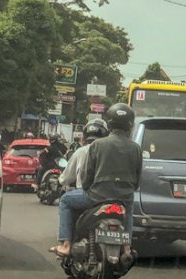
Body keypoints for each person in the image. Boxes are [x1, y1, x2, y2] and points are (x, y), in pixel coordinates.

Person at [50, 104, 141, 258]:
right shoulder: (136, 148)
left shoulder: (97, 145)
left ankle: (65, 244)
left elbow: (87, 176)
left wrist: (87, 189)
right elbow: (137, 180)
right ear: (130, 124)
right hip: (124, 198)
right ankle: (126, 247)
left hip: (97, 197)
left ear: (110, 123)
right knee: (129, 208)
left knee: (65, 200)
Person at [59, 119, 108, 189]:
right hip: (107, 194)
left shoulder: (80, 151)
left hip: (85, 193)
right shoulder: (110, 151)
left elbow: (65, 179)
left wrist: (61, 180)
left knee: (64, 199)